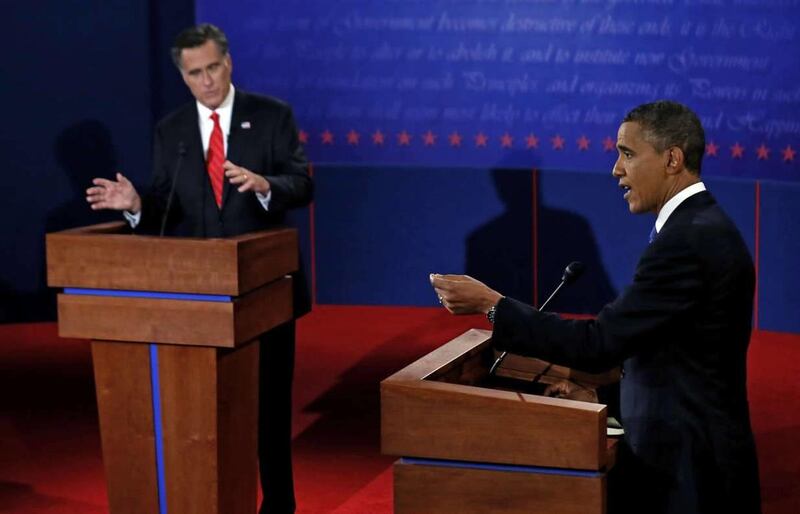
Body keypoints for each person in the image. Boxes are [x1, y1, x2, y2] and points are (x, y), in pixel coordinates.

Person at [431, 101, 761, 514]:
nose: (616, 170)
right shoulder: (698, 227)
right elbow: (672, 356)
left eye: (627, 154)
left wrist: (493, 305)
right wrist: (601, 393)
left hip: (691, 473)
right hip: (691, 456)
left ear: (672, 159)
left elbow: (599, 342)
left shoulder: (687, 241)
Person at [86, 23, 311, 514]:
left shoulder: (271, 116)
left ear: (228, 63)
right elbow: (167, 206)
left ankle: (279, 506)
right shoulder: (172, 131)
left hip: (264, 290)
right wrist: (137, 204)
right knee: (203, 411)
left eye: (213, 68)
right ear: (183, 77)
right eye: (195, 73)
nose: (206, 81)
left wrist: (266, 184)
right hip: (199, 299)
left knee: (267, 410)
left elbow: (302, 184)